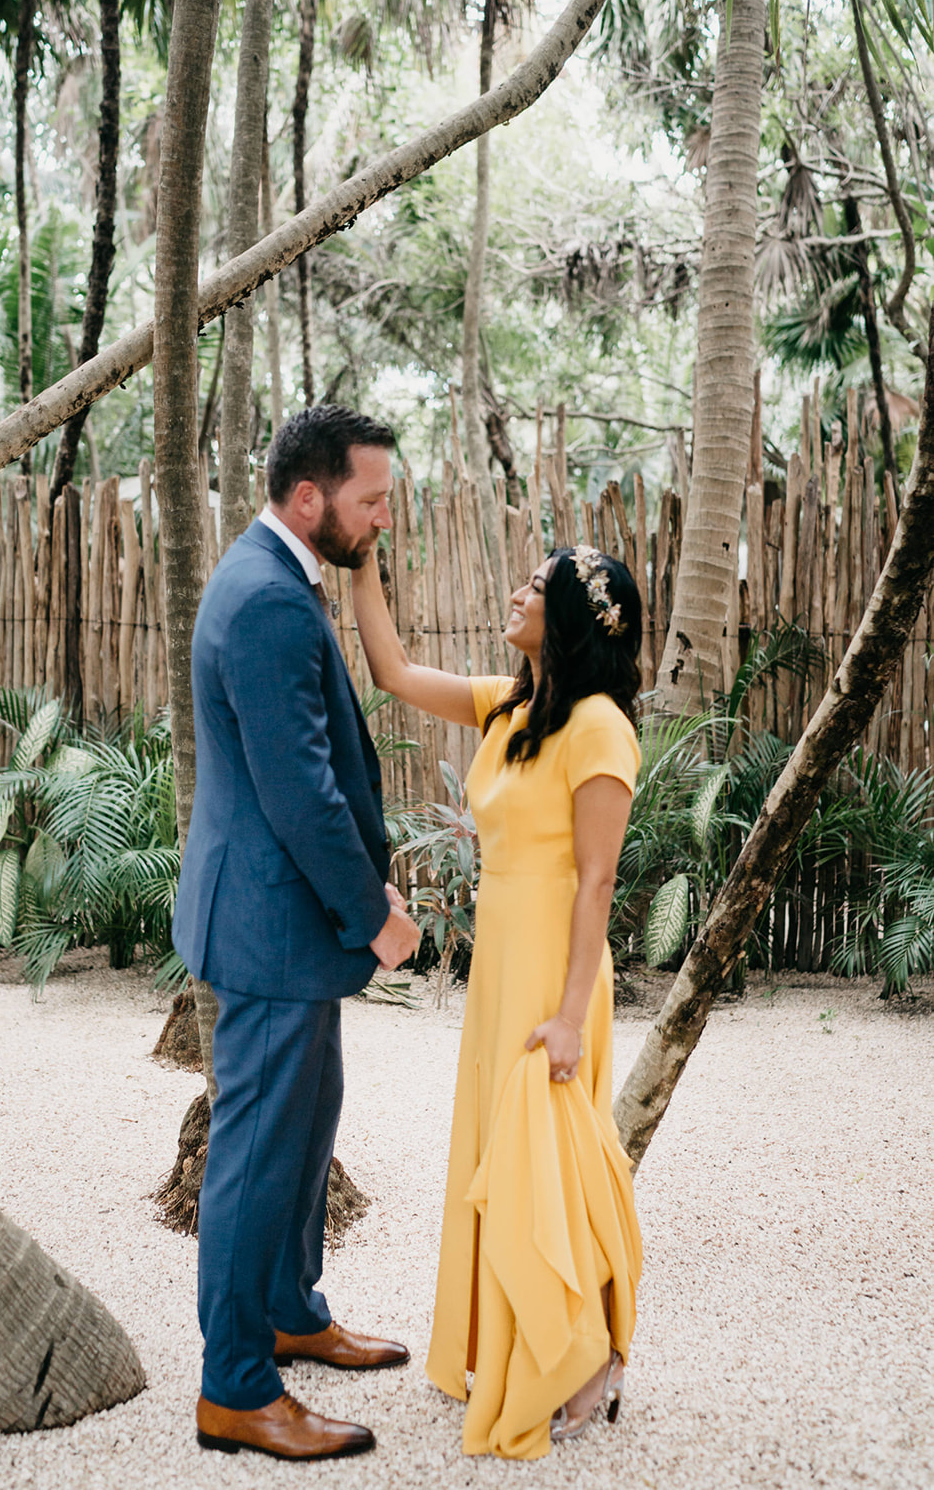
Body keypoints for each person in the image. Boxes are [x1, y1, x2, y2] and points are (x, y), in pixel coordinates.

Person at [351, 539, 644, 1459]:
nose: (514, 593)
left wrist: (567, 1015)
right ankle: (515, 1343)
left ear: (565, 618)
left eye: (534, 586)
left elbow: (596, 881)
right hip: (499, 967)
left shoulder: (598, 726)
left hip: (556, 971)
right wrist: (360, 564)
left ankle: (589, 1356)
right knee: (503, 1153)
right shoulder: (510, 706)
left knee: (553, 1159)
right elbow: (394, 671)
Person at [172, 404, 421, 1461]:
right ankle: (233, 1385)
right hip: (275, 922)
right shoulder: (269, 601)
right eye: (371, 501)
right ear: (309, 497)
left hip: (275, 919)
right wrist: (377, 913)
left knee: (308, 1115)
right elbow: (303, 794)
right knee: (256, 1150)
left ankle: (288, 1309)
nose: (382, 521)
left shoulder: (269, 574)